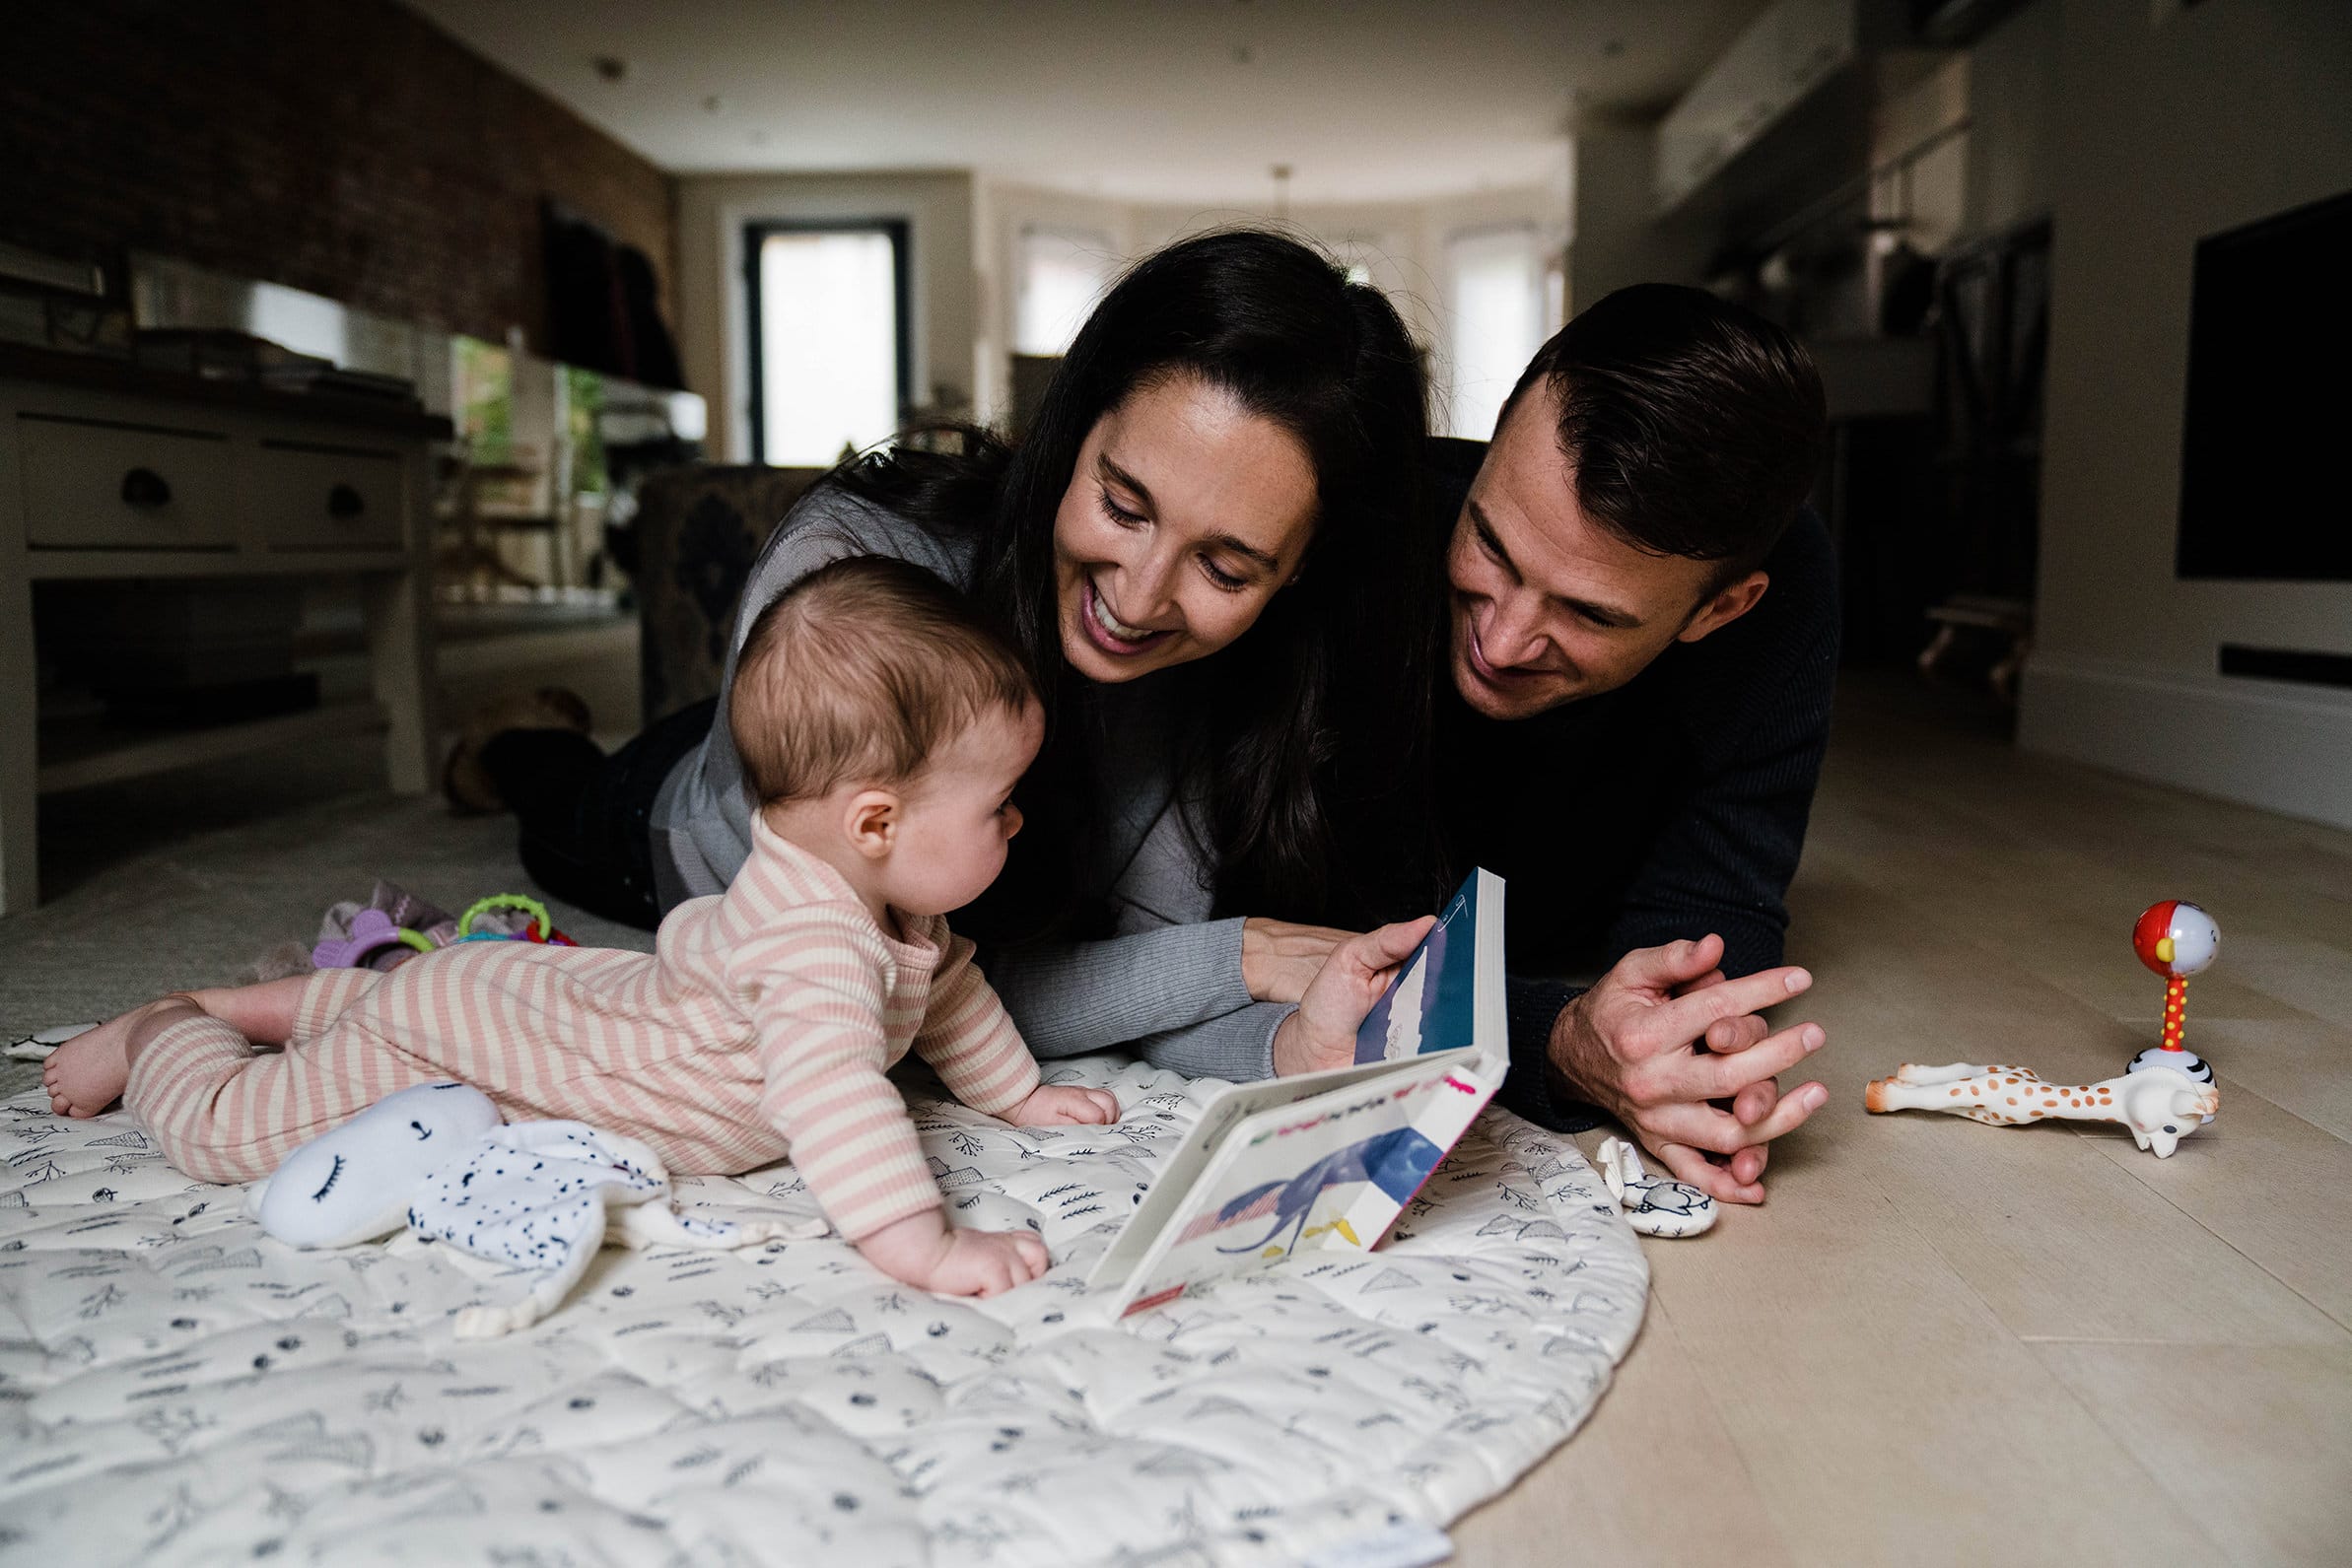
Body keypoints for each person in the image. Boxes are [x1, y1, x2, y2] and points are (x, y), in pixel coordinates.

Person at [450, 229, 1445, 1083]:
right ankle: (522, 735)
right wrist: (1252, 952)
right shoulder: (849, 561)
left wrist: (1290, 1042)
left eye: (1225, 568)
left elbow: (1145, 983)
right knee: (556, 797)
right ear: (1072, 432)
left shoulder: (1234, 675)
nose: (1138, 601)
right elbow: (908, 999)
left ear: (1300, 570)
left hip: (948, 854)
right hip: (689, 826)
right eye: (1122, 505)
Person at [1267, 284, 1840, 1204]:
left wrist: (1688, 1042)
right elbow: (1291, 938)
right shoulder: (1365, 518)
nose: (1499, 643)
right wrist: (1561, 1038)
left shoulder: (1783, 590)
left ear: (1722, 607)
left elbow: (1712, 900)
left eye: (1587, 612)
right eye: (1490, 545)